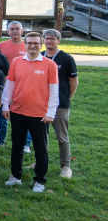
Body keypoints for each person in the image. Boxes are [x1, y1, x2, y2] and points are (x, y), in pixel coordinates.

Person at [2, 32, 59, 193]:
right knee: (17, 146)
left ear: (41, 45)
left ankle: (39, 181)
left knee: (40, 149)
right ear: (25, 44)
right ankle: (15, 176)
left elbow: (54, 90)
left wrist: (51, 112)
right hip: (18, 111)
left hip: (40, 114)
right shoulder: (17, 62)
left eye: (36, 43)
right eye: (29, 43)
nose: (32, 45)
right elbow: (10, 85)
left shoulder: (49, 64)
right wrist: (6, 105)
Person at [42, 29, 78, 179]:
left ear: (59, 40)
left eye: (52, 39)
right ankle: (41, 161)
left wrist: (66, 99)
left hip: (60, 104)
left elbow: (74, 82)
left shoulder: (66, 58)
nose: (49, 41)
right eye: (47, 38)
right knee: (41, 136)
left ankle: (65, 166)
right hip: (40, 103)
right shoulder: (39, 56)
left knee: (62, 137)